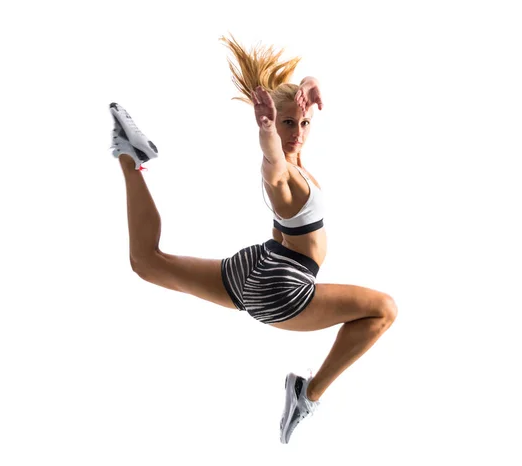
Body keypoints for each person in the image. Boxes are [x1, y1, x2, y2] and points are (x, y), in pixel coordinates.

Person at [108, 33, 398, 444]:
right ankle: (306, 394)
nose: (297, 132)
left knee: (148, 262)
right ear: (270, 124)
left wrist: (309, 86)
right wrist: (266, 132)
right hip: (283, 287)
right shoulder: (282, 172)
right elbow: (273, 161)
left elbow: (288, 143)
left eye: (303, 123)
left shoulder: (296, 155)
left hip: (257, 266)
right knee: (383, 310)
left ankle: (128, 156)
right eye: (287, 124)